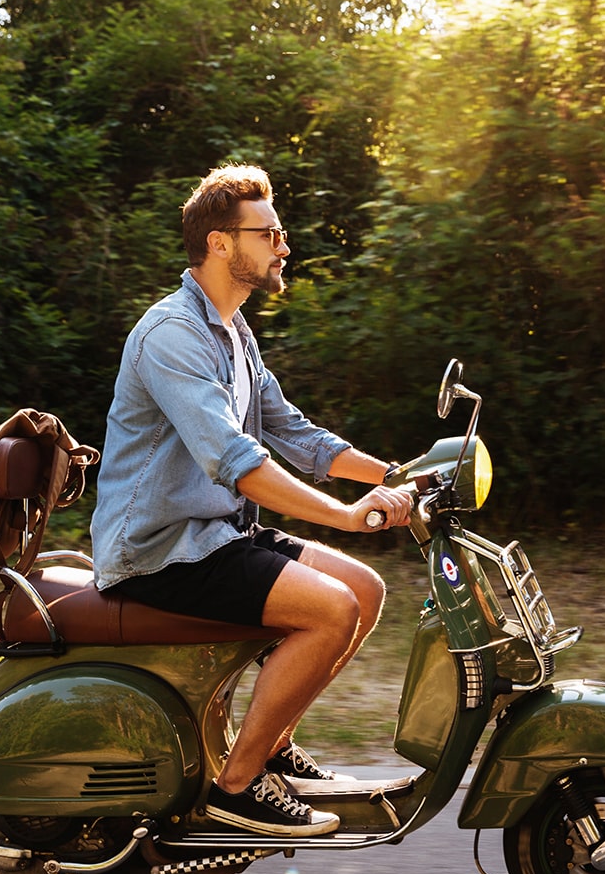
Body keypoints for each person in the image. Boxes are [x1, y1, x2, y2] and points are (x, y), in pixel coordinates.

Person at [90, 165, 413, 838]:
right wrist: (347, 517)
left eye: (280, 232)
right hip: (162, 549)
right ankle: (236, 788)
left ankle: (266, 747)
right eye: (268, 233)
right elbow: (241, 464)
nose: (283, 245)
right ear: (218, 244)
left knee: (366, 588)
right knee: (333, 609)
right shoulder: (172, 335)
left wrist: (395, 472)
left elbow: (296, 434)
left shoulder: (232, 333)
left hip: (215, 536)